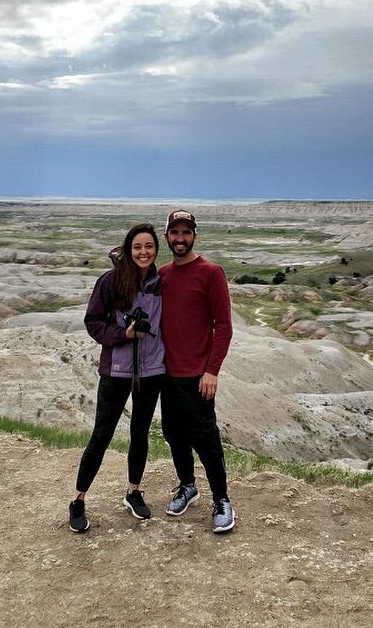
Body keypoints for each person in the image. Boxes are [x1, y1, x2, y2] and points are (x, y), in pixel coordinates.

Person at [68, 223, 164, 533]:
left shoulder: (161, 284)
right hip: (116, 371)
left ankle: (133, 491)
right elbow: (93, 322)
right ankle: (78, 499)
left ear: (155, 250)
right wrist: (123, 334)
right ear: (129, 248)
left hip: (151, 371)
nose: (143, 252)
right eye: (137, 246)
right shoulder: (110, 282)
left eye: (149, 246)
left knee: (140, 433)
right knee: (102, 434)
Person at [158, 209, 236, 533]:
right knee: (174, 434)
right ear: (167, 237)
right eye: (174, 232)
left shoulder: (210, 272)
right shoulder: (161, 274)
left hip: (197, 377)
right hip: (166, 374)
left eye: (185, 232)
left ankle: (222, 500)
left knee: (206, 440)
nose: (180, 238)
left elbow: (225, 326)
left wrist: (211, 371)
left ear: (194, 235)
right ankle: (188, 486)